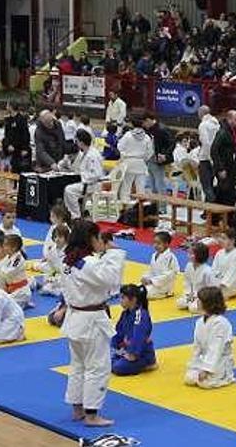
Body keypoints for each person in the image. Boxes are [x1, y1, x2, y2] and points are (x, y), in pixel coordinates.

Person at [59, 220, 123, 427]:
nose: (100, 241)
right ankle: (92, 415)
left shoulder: (67, 260)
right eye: (97, 237)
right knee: (98, 367)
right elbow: (112, 280)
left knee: (78, 366)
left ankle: (77, 408)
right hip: (90, 321)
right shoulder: (88, 263)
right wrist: (113, 253)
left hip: (74, 318)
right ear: (91, 239)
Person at [184, 286, 236, 389]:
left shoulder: (220, 323)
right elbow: (197, 346)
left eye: (200, 300)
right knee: (189, 378)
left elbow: (216, 348)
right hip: (205, 359)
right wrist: (194, 363)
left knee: (205, 383)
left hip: (219, 360)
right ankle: (207, 374)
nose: (197, 302)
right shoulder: (199, 322)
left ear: (209, 303)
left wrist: (206, 369)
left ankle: (226, 377)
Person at [111, 284, 157, 376]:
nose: (120, 301)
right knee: (103, 361)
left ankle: (148, 363)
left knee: (118, 367)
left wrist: (133, 354)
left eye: (123, 298)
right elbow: (118, 332)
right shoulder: (125, 313)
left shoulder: (140, 315)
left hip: (142, 354)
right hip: (126, 350)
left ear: (133, 299)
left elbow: (138, 336)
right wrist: (116, 346)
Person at [62, 131, 105, 217]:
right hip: (88, 183)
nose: (76, 144)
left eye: (77, 141)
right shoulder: (87, 153)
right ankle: (74, 213)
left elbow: (96, 174)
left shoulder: (92, 155)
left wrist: (82, 177)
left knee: (69, 190)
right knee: (69, 187)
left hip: (92, 185)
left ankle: (75, 216)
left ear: (81, 142)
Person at [115, 119, 152, 201]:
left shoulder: (128, 135)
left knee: (126, 187)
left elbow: (120, 146)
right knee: (141, 188)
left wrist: (124, 154)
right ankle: (140, 208)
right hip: (140, 163)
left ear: (132, 124)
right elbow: (150, 152)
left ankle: (125, 206)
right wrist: (144, 159)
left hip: (128, 163)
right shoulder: (146, 137)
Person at [177, 242, 217, 313]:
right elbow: (187, 283)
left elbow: (212, 289)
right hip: (192, 294)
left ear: (200, 255)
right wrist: (189, 294)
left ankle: (207, 306)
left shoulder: (207, 271)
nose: (188, 256)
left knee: (193, 308)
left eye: (191, 254)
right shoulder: (189, 266)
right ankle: (192, 302)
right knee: (180, 303)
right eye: (188, 253)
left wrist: (201, 298)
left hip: (204, 297)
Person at [141, 231, 178, 300]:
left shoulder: (170, 257)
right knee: (135, 289)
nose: (155, 245)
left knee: (142, 294)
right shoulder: (154, 255)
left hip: (163, 286)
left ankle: (165, 293)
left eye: (158, 243)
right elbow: (151, 270)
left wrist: (152, 280)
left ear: (166, 244)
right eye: (154, 243)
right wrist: (145, 278)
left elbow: (170, 275)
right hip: (153, 284)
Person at [212, 229, 236, 299]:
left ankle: (227, 293)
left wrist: (222, 285)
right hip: (218, 280)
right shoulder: (219, 252)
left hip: (231, 284)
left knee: (212, 296)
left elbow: (232, 273)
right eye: (221, 238)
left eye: (224, 238)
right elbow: (213, 269)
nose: (221, 240)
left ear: (232, 241)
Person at [196, 106, 220, 201]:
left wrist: (210, 158)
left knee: (206, 185)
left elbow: (206, 143)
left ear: (201, 113)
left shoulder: (203, 125)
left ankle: (213, 207)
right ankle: (208, 211)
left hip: (206, 159)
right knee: (212, 185)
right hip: (215, 158)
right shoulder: (217, 125)